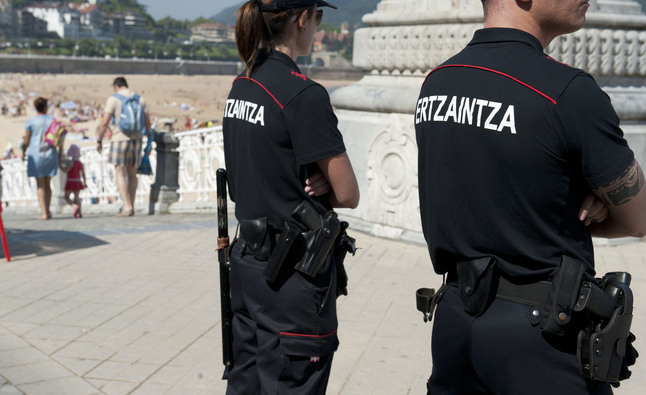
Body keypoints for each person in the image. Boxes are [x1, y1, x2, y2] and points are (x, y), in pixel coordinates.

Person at [415, 1, 646, 394]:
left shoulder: (437, 82)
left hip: (455, 321)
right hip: (541, 338)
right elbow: (639, 218)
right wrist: (596, 203)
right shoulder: (567, 91)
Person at [222, 0, 360, 393]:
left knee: (246, 385)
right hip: (291, 277)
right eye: (317, 16)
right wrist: (325, 183)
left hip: (247, 265)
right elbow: (349, 193)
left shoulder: (242, 85)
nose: (316, 26)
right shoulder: (303, 95)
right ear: (301, 19)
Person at [96, 77, 151, 217]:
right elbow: (148, 123)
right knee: (133, 174)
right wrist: (149, 141)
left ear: (116, 86)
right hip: (137, 140)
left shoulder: (114, 99)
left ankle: (127, 207)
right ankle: (131, 204)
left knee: (120, 173)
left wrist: (99, 140)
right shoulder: (139, 99)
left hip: (120, 139)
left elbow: (105, 122)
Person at [22, 97, 62, 220]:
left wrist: (23, 152)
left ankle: (44, 212)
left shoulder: (31, 121)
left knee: (40, 185)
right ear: (46, 107)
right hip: (50, 153)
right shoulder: (53, 120)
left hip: (35, 154)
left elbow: (27, 140)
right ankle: (48, 210)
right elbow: (59, 138)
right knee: (48, 183)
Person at [60, 144, 86, 218]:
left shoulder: (71, 163)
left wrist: (61, 168)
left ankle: (74, 206)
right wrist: (85, 182)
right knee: (77, 197)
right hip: (78, 181)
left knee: (66, 197)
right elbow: (83, 174)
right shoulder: (80, 163)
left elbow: (66, 170)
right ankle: (79, 213)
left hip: (71, 181)